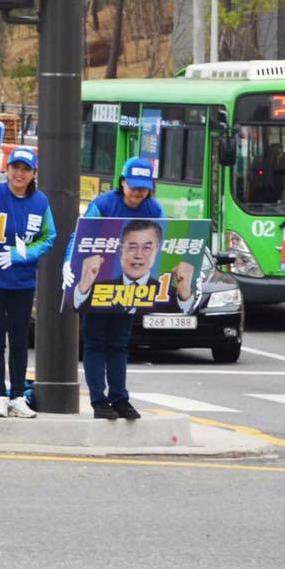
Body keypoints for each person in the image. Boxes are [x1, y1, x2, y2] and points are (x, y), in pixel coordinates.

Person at [63, 157, 163, 421]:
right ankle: (99, 400)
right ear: (122, 182)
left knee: (119, 344)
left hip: (129, 285)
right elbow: (81, 234)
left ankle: (120, 398)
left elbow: (164, 239)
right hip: (99, 282)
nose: (138, 193)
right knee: (96, 342)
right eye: (133, 186)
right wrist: (69, 263)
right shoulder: (104, 204)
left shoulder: (153, 209)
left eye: (143, 187)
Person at [0, 149, 55, 419]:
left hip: (22, 282)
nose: (20, 173)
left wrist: (21, 254)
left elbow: (49, 236)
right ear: (7, 170)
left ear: (34, 173)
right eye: (15, 167)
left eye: (26, 169)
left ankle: (18, 395)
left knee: (19, 341)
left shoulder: (40, 201)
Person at [72, 219, 194, 314]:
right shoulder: (97, 289)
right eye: (132, 247)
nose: (138, 255)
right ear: (121, 250)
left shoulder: (169, 293)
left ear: (157, 250)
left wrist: (184, 298)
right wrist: (83, 287)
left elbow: (184, 320)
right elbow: (78, 312)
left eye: (146, 247)